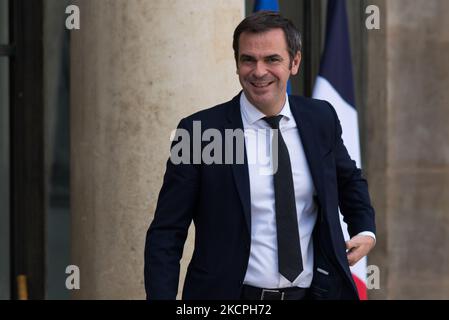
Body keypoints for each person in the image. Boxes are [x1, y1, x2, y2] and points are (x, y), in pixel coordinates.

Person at [144, 11, 375, 300]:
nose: (258, 71)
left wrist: (364, 229)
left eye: (272, 59)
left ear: (295, 62)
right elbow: (167, 232)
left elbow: (349, 180)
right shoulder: (199, 132)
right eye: (248, 59)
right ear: (237, 63)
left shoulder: (320, 119)